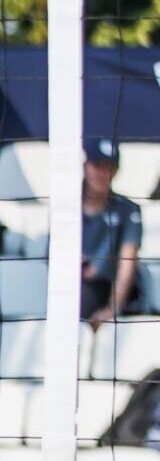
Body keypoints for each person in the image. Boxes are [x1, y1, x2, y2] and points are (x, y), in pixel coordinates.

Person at [83, 136, 147, 329]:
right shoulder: (65, 209)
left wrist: (114, 307)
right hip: (70, 290)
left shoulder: (128, 210)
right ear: (85, 165)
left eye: (109, 167)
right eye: (97, 165)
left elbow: (128, 261)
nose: (103, 173)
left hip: (107, 290)